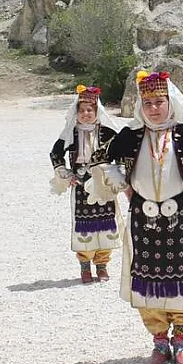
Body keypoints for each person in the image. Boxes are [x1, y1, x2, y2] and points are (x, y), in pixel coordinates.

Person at [87, 71, 183, 364]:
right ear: (141, 105)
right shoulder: (130, 135)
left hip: (179, 217)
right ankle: (158, 341)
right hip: (142, 218)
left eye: (159, 102)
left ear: (171, 102)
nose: (154, 108)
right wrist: (122, 184)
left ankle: (180, 340)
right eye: (148, 102)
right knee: (146, 280)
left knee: (182, 279)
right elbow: (99, 159)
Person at [49, 85, 121, 283]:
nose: (86, 114)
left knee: (106, 225)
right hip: (80, 187)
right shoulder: (69, 135)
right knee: (84, 228)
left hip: (103, 186)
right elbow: (55, 154)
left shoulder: (108, 134)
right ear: (76, 113)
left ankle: (102, 265)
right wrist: (65, 175)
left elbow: (121, 155)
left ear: (97, 111)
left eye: (90, 110)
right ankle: (85, 267)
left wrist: (116, 174)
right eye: (82, 110)